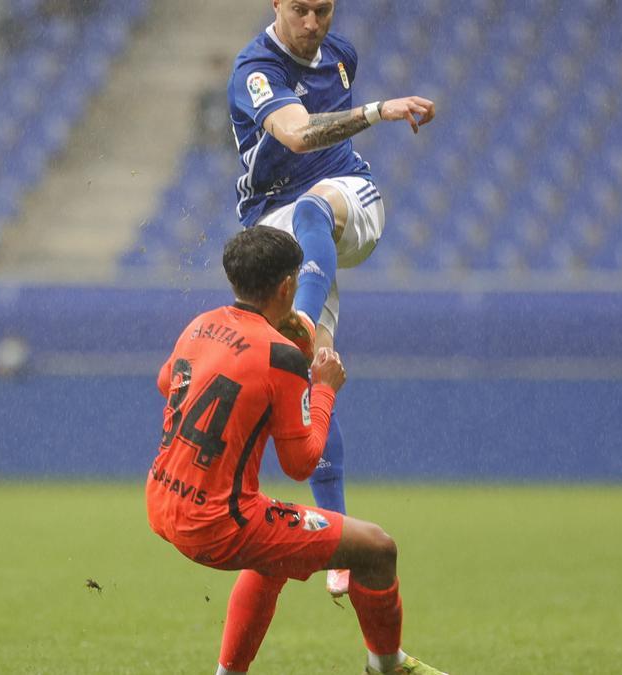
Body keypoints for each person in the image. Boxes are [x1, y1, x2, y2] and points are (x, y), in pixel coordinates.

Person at [147, 226, 446, 675]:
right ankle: (388, 667)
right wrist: (324, 390)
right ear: (287, 286)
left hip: (162, 500)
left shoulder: (200, 324)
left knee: (274, 555)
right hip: (219, 523)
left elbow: (167, 382)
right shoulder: (282, 356)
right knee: (377, 548)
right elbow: (300, 463)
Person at [227, 0, 436, 596]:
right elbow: (295, 134)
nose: (312, 22)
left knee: (319, 201)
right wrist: (377, 110)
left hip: (348, 199)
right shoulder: (255, 69)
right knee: (311, 372)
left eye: (322, 9)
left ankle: (300, 320)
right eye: (300, 9)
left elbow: (318, 156)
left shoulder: (340, 56)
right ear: (277, 5)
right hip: (275, 222)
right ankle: (340, 545)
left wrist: (370, 114)